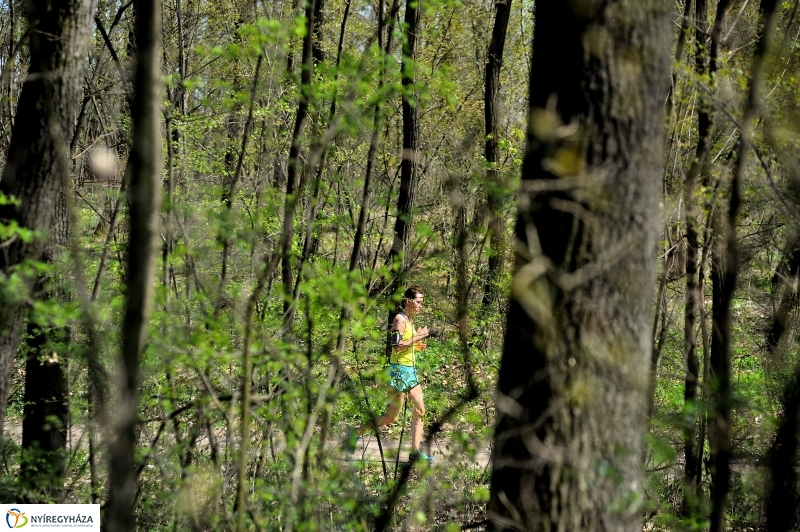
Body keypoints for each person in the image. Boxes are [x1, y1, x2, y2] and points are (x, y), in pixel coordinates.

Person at [345, 285, 434, 463]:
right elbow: (397, 346)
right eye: (418, 302)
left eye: (422, 302)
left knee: (420, 410)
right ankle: (355, 433)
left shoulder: (409, 320)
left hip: (410, 371)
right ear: (408, 301)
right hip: (398, 372)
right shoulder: (399, 320)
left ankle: (415, 453)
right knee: (391, 417)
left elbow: (407, 346)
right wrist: (419, 337)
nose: (420, 306)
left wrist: (418, 345)